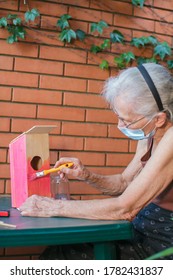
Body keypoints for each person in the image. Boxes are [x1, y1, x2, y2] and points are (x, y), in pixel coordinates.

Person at [20, 63, 173, 260]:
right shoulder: (149, 134)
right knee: (61, 250)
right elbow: (125, 183)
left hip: (163, 240)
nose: (120, 125)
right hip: (143, 227)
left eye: (127, 121)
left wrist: (52, 207)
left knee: (66, 256)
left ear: (159, 118)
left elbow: (125, 208)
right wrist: (86, 175)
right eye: (118, 117)